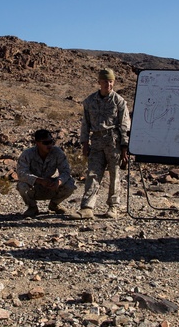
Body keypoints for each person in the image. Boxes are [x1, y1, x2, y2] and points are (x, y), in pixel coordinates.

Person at [74, 68, 131, 220]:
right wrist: (85, 143)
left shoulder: (119, 101)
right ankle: (87, 207)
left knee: (115, 174)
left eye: (111, 81)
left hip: (114, 141)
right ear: (99, 82)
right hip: (97, 141)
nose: (108, 84)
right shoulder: (90, 101)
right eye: (105, 81)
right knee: (93, 173)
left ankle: (113, 207)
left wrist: (125, 147)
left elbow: (125, 125)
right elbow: (85, 124)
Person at [16, 129, 76, 218]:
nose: (49, 145)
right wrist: (38, 180)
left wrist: (59, 182)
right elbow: (21, 173)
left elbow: (66, 172)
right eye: (46, 143)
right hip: (35, 187)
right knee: (21, 185)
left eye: (51, 142)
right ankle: (32, 207)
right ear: (37, 143)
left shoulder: (58, 153)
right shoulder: (27, 154)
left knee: (70, 184)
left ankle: (54, 204)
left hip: (51, 186)